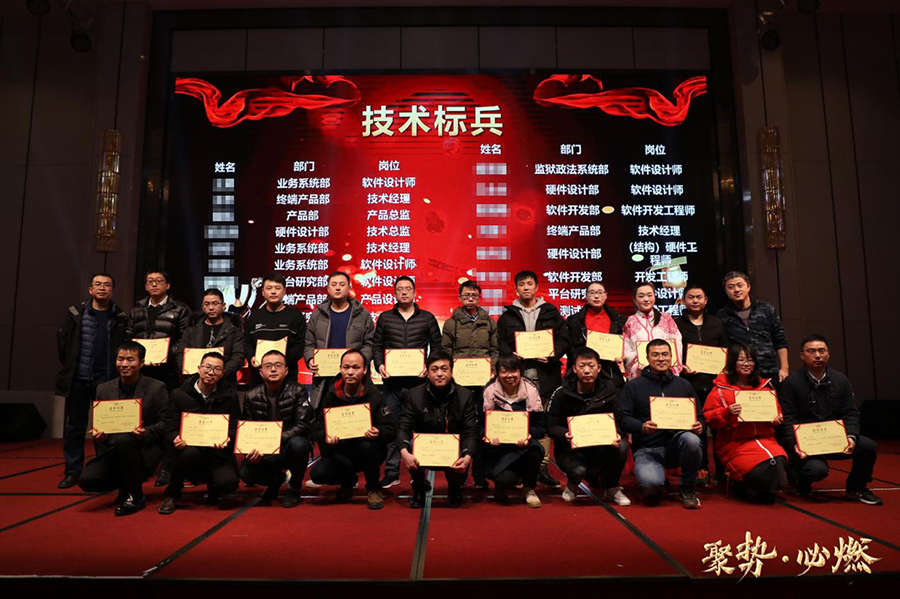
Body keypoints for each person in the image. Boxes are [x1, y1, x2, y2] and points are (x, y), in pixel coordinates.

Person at [780, 334, 882, 505]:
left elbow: (851, 413)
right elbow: (788, 417)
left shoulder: (841, 380)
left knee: (867, 446)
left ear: (828, 354)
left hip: (834, 438)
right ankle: (800, 481)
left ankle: (856, 488)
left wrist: (851, 436)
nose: (817, 355)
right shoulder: (792, 382)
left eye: (822, 351)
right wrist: (794, 443)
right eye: (811, 351)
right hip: (807, 442)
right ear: (802, 355)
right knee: (816, 470)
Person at [77, 342, 171, 515]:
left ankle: (135, 496)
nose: (124, 364)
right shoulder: (103, 389)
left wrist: (145, 433)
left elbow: (166, 423)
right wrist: (99, 435)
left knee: (125, 439)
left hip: (145, 449)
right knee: (87, 480)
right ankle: (127, 486)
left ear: (141, 363)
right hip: (114, 449)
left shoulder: (156, 388)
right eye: (120, 359)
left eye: (130, 359)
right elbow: (99, 423)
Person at [55, 272, 127, 489]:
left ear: (112, 290)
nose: (102, 288)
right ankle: (72, 471)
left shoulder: (119, 317)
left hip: (106, 380)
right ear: (90, 289)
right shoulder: (76, 314)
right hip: (78, 378)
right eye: (98, 284)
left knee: (106, 428)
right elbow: (63, 345)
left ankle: (103, 471)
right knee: (75, 427)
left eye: (107, 285)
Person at [497, 270, 568, 488]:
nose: (526, 287)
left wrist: (552, 355)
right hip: (517, 376)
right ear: (516, 288)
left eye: (529, 284)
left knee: (543, 422)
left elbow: (563, 338)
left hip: (546, 375)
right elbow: (500, 342)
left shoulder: (551, 312)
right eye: (521, 284)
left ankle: (542, 468)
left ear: (536, 287)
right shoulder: (507, 315)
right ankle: (519, 467)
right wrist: (511, 356)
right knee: (519, 419)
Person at [372, 276, 441, 488]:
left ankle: (418, 474)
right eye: (400, 289)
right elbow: (377, 345)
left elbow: (437, 347)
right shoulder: (385, 318)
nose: (404, 292)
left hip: (418, 384)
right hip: (392, 383)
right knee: (393, 427)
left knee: (419, 427)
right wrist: (379, 365)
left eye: (408, 289)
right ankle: (392, 472)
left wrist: (428, 366)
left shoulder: (427, 318)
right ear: (394, 293)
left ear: (414, 292)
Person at [620, 339, 704, 508]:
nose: (661, 359)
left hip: (677, 446)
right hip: (647, 448)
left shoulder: (684, 385)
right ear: (647, 358)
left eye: (665, 354)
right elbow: (623, 418)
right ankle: (658, 482)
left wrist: (700, 425)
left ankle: (687, 487)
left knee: (692, 440)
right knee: (651, 486)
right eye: (655, 355)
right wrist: (642, 427)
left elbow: (700, 416)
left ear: (671, 357)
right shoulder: (633, 386)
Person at [310, 350, 394, 510]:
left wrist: (378, 433)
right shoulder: (330, 396)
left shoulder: (376, 396)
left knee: (367, 447)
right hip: (340, 452)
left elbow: (390, 430)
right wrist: (327, 436)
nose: (350, 372)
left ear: (365, 370)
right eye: (346, 367)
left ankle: (373, 487)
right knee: (318, 474)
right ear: (340, 369)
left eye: (356, 367)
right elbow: (316, 430)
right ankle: (347, 481)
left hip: (367, 451)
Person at [702, 344, 787, 502]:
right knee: (756, 468)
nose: (746, 364)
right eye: (741, 360)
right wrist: (726, 412)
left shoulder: (765, 387)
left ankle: (761, 488)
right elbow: (709, 418)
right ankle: (744, 484)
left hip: (764, 439)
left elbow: (777, 412)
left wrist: (777, 418)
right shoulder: (720, 389)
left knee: (778, 459)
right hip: (733, 443)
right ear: (732, 363)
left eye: (750, 360)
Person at [158, 352, 240, 514]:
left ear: (223, 373)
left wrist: (227, 438)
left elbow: (235, 426)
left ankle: (213, 486)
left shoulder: (230, 395)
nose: (211, 372)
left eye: (217, 369)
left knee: (229, 484)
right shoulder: (179, 394)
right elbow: (169, 427)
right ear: (199, 368)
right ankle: (172, 494)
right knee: (189, 454)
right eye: (207, 367)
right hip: (188, 450)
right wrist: (175, 438)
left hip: (217, 451)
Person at [547, 348, 631, 506]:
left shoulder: (609, 392)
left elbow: (619, 421)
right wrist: (565, 434)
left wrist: (617, 434)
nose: (586, 371)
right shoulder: (561, 393)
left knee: (622, 445)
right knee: (578, 470)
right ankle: (573, 482)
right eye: (582, 366)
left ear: (599, 368)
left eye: (591, 366)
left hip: (601, 446)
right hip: (570, 449)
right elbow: (550, 426)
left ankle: (612, 487)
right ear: (574, 368)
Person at [396, 351, 478, 508]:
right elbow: (403, 426)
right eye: (434, 369)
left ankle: (455, 487)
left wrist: (468, 457)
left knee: (464, 452)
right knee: (410, 447)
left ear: (452, 371)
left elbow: (471, 431)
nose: (439, 374)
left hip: (453, 450)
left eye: (444, 369)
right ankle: (419, 487)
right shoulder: (414, 395)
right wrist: (404, 452)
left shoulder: (465, 396)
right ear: (427, 373)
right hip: (424, 449)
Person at [441, 279, 499, 488]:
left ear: (479, 298)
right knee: (460, 425)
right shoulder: (451, 323)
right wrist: (453, 373)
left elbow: (495, 351)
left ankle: (479, 474)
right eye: (466, 295)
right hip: (460, 383)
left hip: (484, 383)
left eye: (474, 295)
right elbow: (446, 351)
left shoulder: (489, 322)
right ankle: (458, 473)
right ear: (460, 297)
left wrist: (492, 369)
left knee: (482, 427)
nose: (470, 299)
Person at [239, 350, 314, 508]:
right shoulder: (251, 395)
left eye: (278, 365)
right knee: (245, 473)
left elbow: (303, 425)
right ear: (261, 372)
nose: (273, 369)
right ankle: (276, 480)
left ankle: (294, 488)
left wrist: (276, 438)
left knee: (299, 444)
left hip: (288, 446)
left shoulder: (298, 391)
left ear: (286, 370)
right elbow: (247, 429)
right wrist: (250, 452)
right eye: (268, 366)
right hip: (265, 449)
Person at [674, 284, 728, 484]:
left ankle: (722, 470)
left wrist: (724, 368)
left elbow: (726, 349)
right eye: (690, 297)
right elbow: (674, 353)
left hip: (716, 385)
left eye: (699, 297)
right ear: (683, 301)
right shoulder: (676, 324)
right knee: (697, 428)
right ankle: (701, 469)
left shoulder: (717, 323)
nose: (695, 300)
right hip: (690, 384)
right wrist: (682, 367)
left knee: (719, 428)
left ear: (706, 301)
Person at [480, 354, 544, 507]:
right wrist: (487, 436)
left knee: (536, 451)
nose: (509, 376)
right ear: (497, 373)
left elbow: (541, 427)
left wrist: (529, 435)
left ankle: (529, 488)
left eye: (514, 371)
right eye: (504, 371)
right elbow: (480, 426)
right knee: (505, 480)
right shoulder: (488, 392)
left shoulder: (531, 391)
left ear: (520, 372)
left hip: (524, 447)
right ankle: (503, 484)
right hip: (499, 449)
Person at [304, 271, 375, 408]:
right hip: (324, 378)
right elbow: (309, 342)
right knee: (325, 415)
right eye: (334, 284)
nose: (338, 288)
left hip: (354, 376)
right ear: (328, 288)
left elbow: (370, 343)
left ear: (349, 288)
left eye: (342, 284)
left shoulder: (362, 314)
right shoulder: (318, 314)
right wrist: (309, 359)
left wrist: (360, 362)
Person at [716, 271, 789, 385]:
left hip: (769, 371)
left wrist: (784, 368)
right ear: (726, 291)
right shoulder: (722, 316)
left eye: (740, 285)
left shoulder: (766, 309)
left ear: (748, 287)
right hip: (741, 376)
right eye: (731, 287)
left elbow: (780, 340)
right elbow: (721, 346)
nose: (736, 290)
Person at [127, 270, 192, 390]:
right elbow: (129, 335)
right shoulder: (136, 310)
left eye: (159, 281)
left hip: (168, 368)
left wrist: (166, 355)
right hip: (141, 367)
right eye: (150, 281)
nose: (154, 284)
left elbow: (185, 337)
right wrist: (137, 355)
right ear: (146, 286)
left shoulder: (180, 309)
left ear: (168, 285)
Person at [245, 273, 307, 382]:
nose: (273, 292)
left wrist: (281, 361)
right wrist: (251, 357)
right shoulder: (254, 316)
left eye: (277, 288)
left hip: (288, 376)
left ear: (284, 291)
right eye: (269, 288)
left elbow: (300, 345)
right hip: (259, 376)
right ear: (263, 292)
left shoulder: (295, 316)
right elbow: (247, 343)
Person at [175, 288, 245, 383]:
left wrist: (219, 373)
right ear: (202, 307)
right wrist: (195, 375)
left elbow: (238, 357)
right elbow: (180, 354)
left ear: (224, 306)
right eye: (207, 304)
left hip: (224, 381)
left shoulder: (234, 329)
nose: (211, 307)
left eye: (215, 303)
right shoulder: (192, 328)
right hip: (195, 381)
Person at [565, 281, 627, 388]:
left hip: (610, 370)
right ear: (586, 296)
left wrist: (621, 355)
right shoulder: (574, 321)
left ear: (606, 296)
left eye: (600, 292)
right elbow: (569, 346)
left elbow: (625, 344)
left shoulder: (619, 320)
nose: (596, 296)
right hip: (584, 371)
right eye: (592, 293)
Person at [622, 282, 683, 380]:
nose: (646, 299)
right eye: (641, 296)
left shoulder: (666, 318)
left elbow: (677, 344)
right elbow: (627, 349)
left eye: (650, 295)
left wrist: (675, 368)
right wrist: (639, 364)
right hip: (641, 374)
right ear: (634, 299)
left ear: (655, 297)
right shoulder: (630, 321)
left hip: (666, 372)